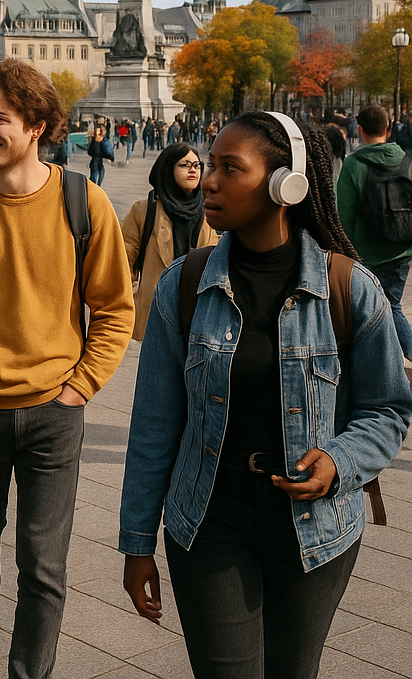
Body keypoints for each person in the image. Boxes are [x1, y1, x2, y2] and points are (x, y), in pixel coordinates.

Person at [119, 112, 412, 679]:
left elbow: (388, 410)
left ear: (287, 185)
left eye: (232, 168)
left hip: (317, 528)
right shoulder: (185, 285)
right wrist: (136, 542)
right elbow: (154, 424)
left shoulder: (350, 287)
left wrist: (339, 459)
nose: (209, 179)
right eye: (211, 163)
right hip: (208, 520)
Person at [0, 60, 134, 679]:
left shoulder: (81, 202)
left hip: (53, 415)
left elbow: (115, 309)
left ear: (36, 126)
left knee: (44, 563)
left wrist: (80, 387)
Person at [120, 143, 218, 344]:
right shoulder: (145, 209)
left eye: (197, 164)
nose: (193, 169)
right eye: (184, 164)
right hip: (157, 310)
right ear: (168, 168)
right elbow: (123, 262)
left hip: (198, 311)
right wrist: (134, 298)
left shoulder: (211, 209)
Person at [336, 104, 412, 359]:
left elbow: (344, 214)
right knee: (392, 304)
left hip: (367, 251)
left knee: (373, 310)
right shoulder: (406, 160)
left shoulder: (354, 164)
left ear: (359, 130)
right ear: (388, 129)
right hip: (402, 246)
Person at [88, 118, 114, 186]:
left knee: (95, 174)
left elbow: (90, 151)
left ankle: (95, 186)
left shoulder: (97, 141)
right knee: (98, 173)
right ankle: (96, 187)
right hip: (98, 160)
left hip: (96, 160)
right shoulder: (103, 141)